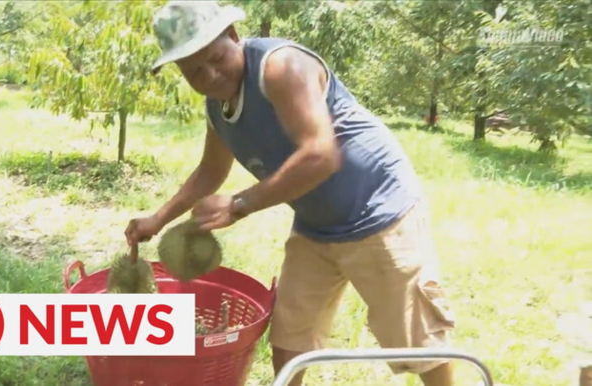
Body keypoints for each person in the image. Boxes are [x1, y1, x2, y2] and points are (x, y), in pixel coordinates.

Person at [124, 1, 457, 385]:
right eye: (194, 71)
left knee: (416, 341)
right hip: (316, 226)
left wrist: (238, 205)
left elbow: (321, 154)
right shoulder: (218, 108)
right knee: (289, 341)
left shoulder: (280, 68)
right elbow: (209, 172)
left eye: (216, 58)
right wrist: (158, 219)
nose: (210, 75)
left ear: (234, 36)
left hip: (379, 210)